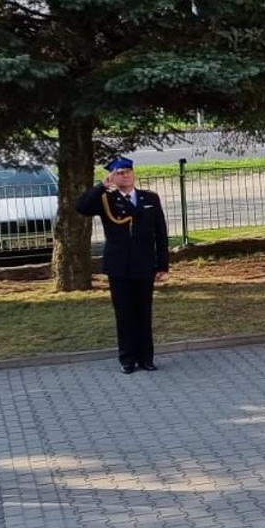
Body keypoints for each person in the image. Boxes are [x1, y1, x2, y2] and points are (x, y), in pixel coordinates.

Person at [74, 156, 170, 374]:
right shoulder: (106, 199)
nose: (125, 175)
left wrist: (162, 265)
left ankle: (146, 358)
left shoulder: (150, 198)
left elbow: (161, 234)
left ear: (134, 174)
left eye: (128, 171)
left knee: (144, 313)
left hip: (145, 264)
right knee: (124, 314)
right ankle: (127, 359)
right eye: (119, 172)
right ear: (112, 176)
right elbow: (81, 206)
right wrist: (101, 186)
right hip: (119, 266)